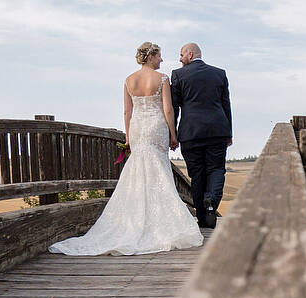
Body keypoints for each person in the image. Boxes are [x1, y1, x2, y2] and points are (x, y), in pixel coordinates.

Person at [48, 43, 204, 255]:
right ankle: (158, 220)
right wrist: (173, 135)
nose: (161, 60)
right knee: (157, 167)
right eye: (159, 56)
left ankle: (134, 218)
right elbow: (167, 109)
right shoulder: (162, 79)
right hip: (156, 125)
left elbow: (126, 112)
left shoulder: (129, 80)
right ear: (150, 57)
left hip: (138, 126)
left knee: (139, 167)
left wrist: (128, 136)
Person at [170, 42, 232, 229]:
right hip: (217, 131)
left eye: (181, 55)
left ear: (190, 55)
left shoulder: (179, 75)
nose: (179, 59)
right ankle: (211, 199)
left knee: (197, 175)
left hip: (191, 132)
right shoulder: (219, 73)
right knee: (216, 169)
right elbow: (225, 105)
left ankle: (202, 220)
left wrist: (172, 133)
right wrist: (229, 132)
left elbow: (174, 107)